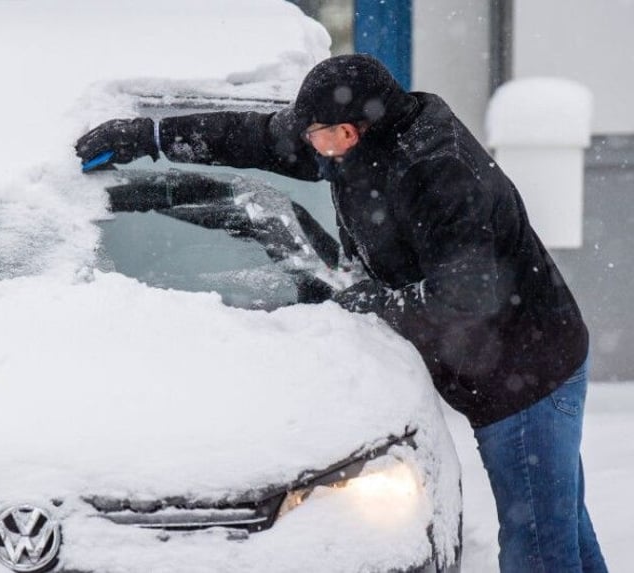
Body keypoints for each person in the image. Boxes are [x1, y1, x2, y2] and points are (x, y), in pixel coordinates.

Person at [75, 54, 607, 572]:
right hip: (506, 367)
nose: (309, 147)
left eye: (319, 135)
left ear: (353, 129)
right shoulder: (354, 141)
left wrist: (377, 304)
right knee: (561, 532)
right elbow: (258, 137)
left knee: (537, 547)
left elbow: (466, 295)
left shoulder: (442, 173)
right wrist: (150, 137)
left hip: (528, 377)